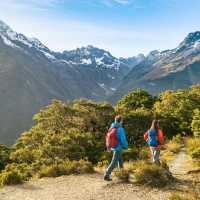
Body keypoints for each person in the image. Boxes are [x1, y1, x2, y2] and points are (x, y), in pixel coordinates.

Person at [104, 115, 128, 181]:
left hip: (113, 146)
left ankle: (122, 174)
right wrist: (126, 146)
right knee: (114, 162)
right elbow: (123, 139)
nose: (122, 122)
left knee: (120, 160)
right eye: (122, 121)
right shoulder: (120, 129)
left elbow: (107, 137)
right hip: (118, 147)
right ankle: (106, 174)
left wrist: (108, 146)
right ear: (120, 121)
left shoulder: (112, 127)